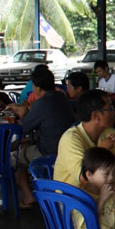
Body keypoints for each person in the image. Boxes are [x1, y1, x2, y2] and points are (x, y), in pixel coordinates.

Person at [53, 90, 115, 229]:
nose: (114, 112)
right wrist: (103, 148)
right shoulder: (71, 139)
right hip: (75, 203)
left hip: (102, 197)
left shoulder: (107, 132)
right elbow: (85, 178)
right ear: (96, 116)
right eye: (110, 109)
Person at [15, 68, 75, 208]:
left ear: (37, 87)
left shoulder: (41, 103)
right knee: (25, 147)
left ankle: (29, 197)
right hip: (66, 148)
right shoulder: (61, 97)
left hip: (49, 151)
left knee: (15, 157)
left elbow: (24, 128)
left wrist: (22, 114)